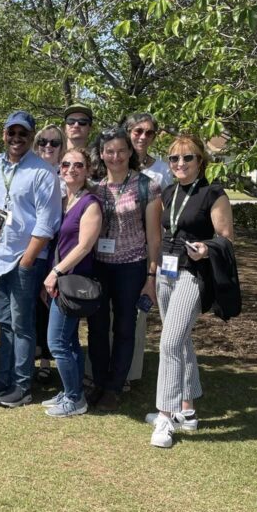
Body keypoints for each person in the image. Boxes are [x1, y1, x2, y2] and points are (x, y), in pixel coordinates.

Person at [148, 135, 233, 448]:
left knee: (169, 342)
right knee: (180, 342)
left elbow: (225, 238)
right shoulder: (168, 193)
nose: (180, 164)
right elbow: (161, 233)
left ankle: (165, 416)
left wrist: (206, 248)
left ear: (201, 162)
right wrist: (153, 270)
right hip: (167, 272)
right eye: (174, 159)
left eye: (188, 158)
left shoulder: (214, 193)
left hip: (193, 275)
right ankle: (188, 411)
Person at [0, 111, 61, 407]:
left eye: (23, 134)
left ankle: (22, 386)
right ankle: (3, 378)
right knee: (4, 322)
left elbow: (47, 224)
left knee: (23, 324)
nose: (16, 138)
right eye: (11, 132)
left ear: (31, 137)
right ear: (3, 134)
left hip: (25, 260)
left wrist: (27, 261)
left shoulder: (42, 171)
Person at [86, 128, 162, 412]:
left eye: (120, 151)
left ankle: (115, 387)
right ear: (102, 154)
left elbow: (155, 237)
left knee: (124, 327)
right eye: (109, 151)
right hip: (99, 266)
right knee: (96, 327)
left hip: (131, 267)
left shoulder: (147, 186)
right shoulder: (95, 186)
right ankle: (99, 380)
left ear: (130, 153)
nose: (115, 156)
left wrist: (151, 275)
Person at [41, 149, 103, 417]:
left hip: (72, 281)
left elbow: (84, 246)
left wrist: (56, 272)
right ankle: (71, 392)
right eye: (66, 164)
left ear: (87, 169)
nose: (71, 169)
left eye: (78, 165)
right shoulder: (64, 199)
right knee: (70, 342)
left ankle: (75, 399)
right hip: (59, 280)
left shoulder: (90, 203)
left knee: (57, 343)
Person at [124, 111, 171, 388]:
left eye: (149, 132)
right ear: (128, 131)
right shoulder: (115, 160)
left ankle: (128, 373)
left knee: (136, 316)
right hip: (113, 251)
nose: (142, 137)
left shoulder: (161, 170)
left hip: (145, 251)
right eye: (137, 131)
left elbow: (165, 214)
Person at [31, 123, 68, 384]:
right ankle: (33, 353)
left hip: (58, 249)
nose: (48, 146)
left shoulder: (67, 175)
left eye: (54, 142)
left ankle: (46, 359)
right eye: (43, 141)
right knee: (32, 304)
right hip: (31, 247)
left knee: (50, 302)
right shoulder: (29, 171)